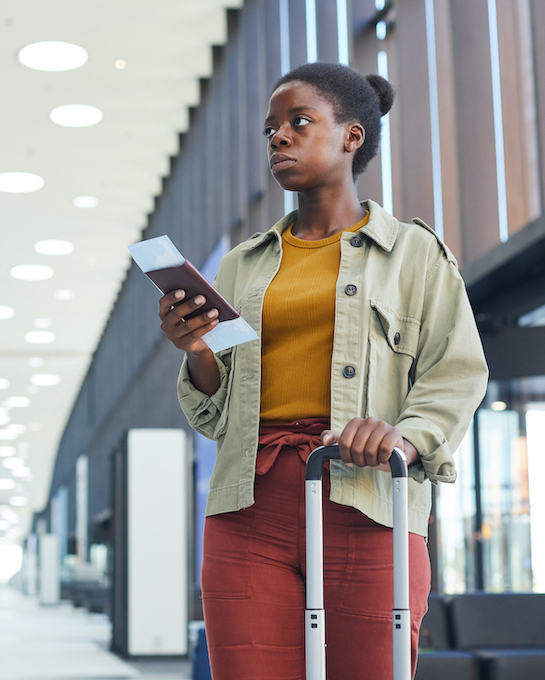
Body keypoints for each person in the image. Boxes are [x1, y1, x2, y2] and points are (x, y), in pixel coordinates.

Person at [160, 62, 489, 679]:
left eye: (298, 122)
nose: (278, 138)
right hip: (247, 511)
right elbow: (216, 411)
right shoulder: (242, 266)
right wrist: (197, 351)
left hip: (367, 502)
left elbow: (458, 373)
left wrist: (405, 436)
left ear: (351, 136)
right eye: (270, 130)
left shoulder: (415, 255)